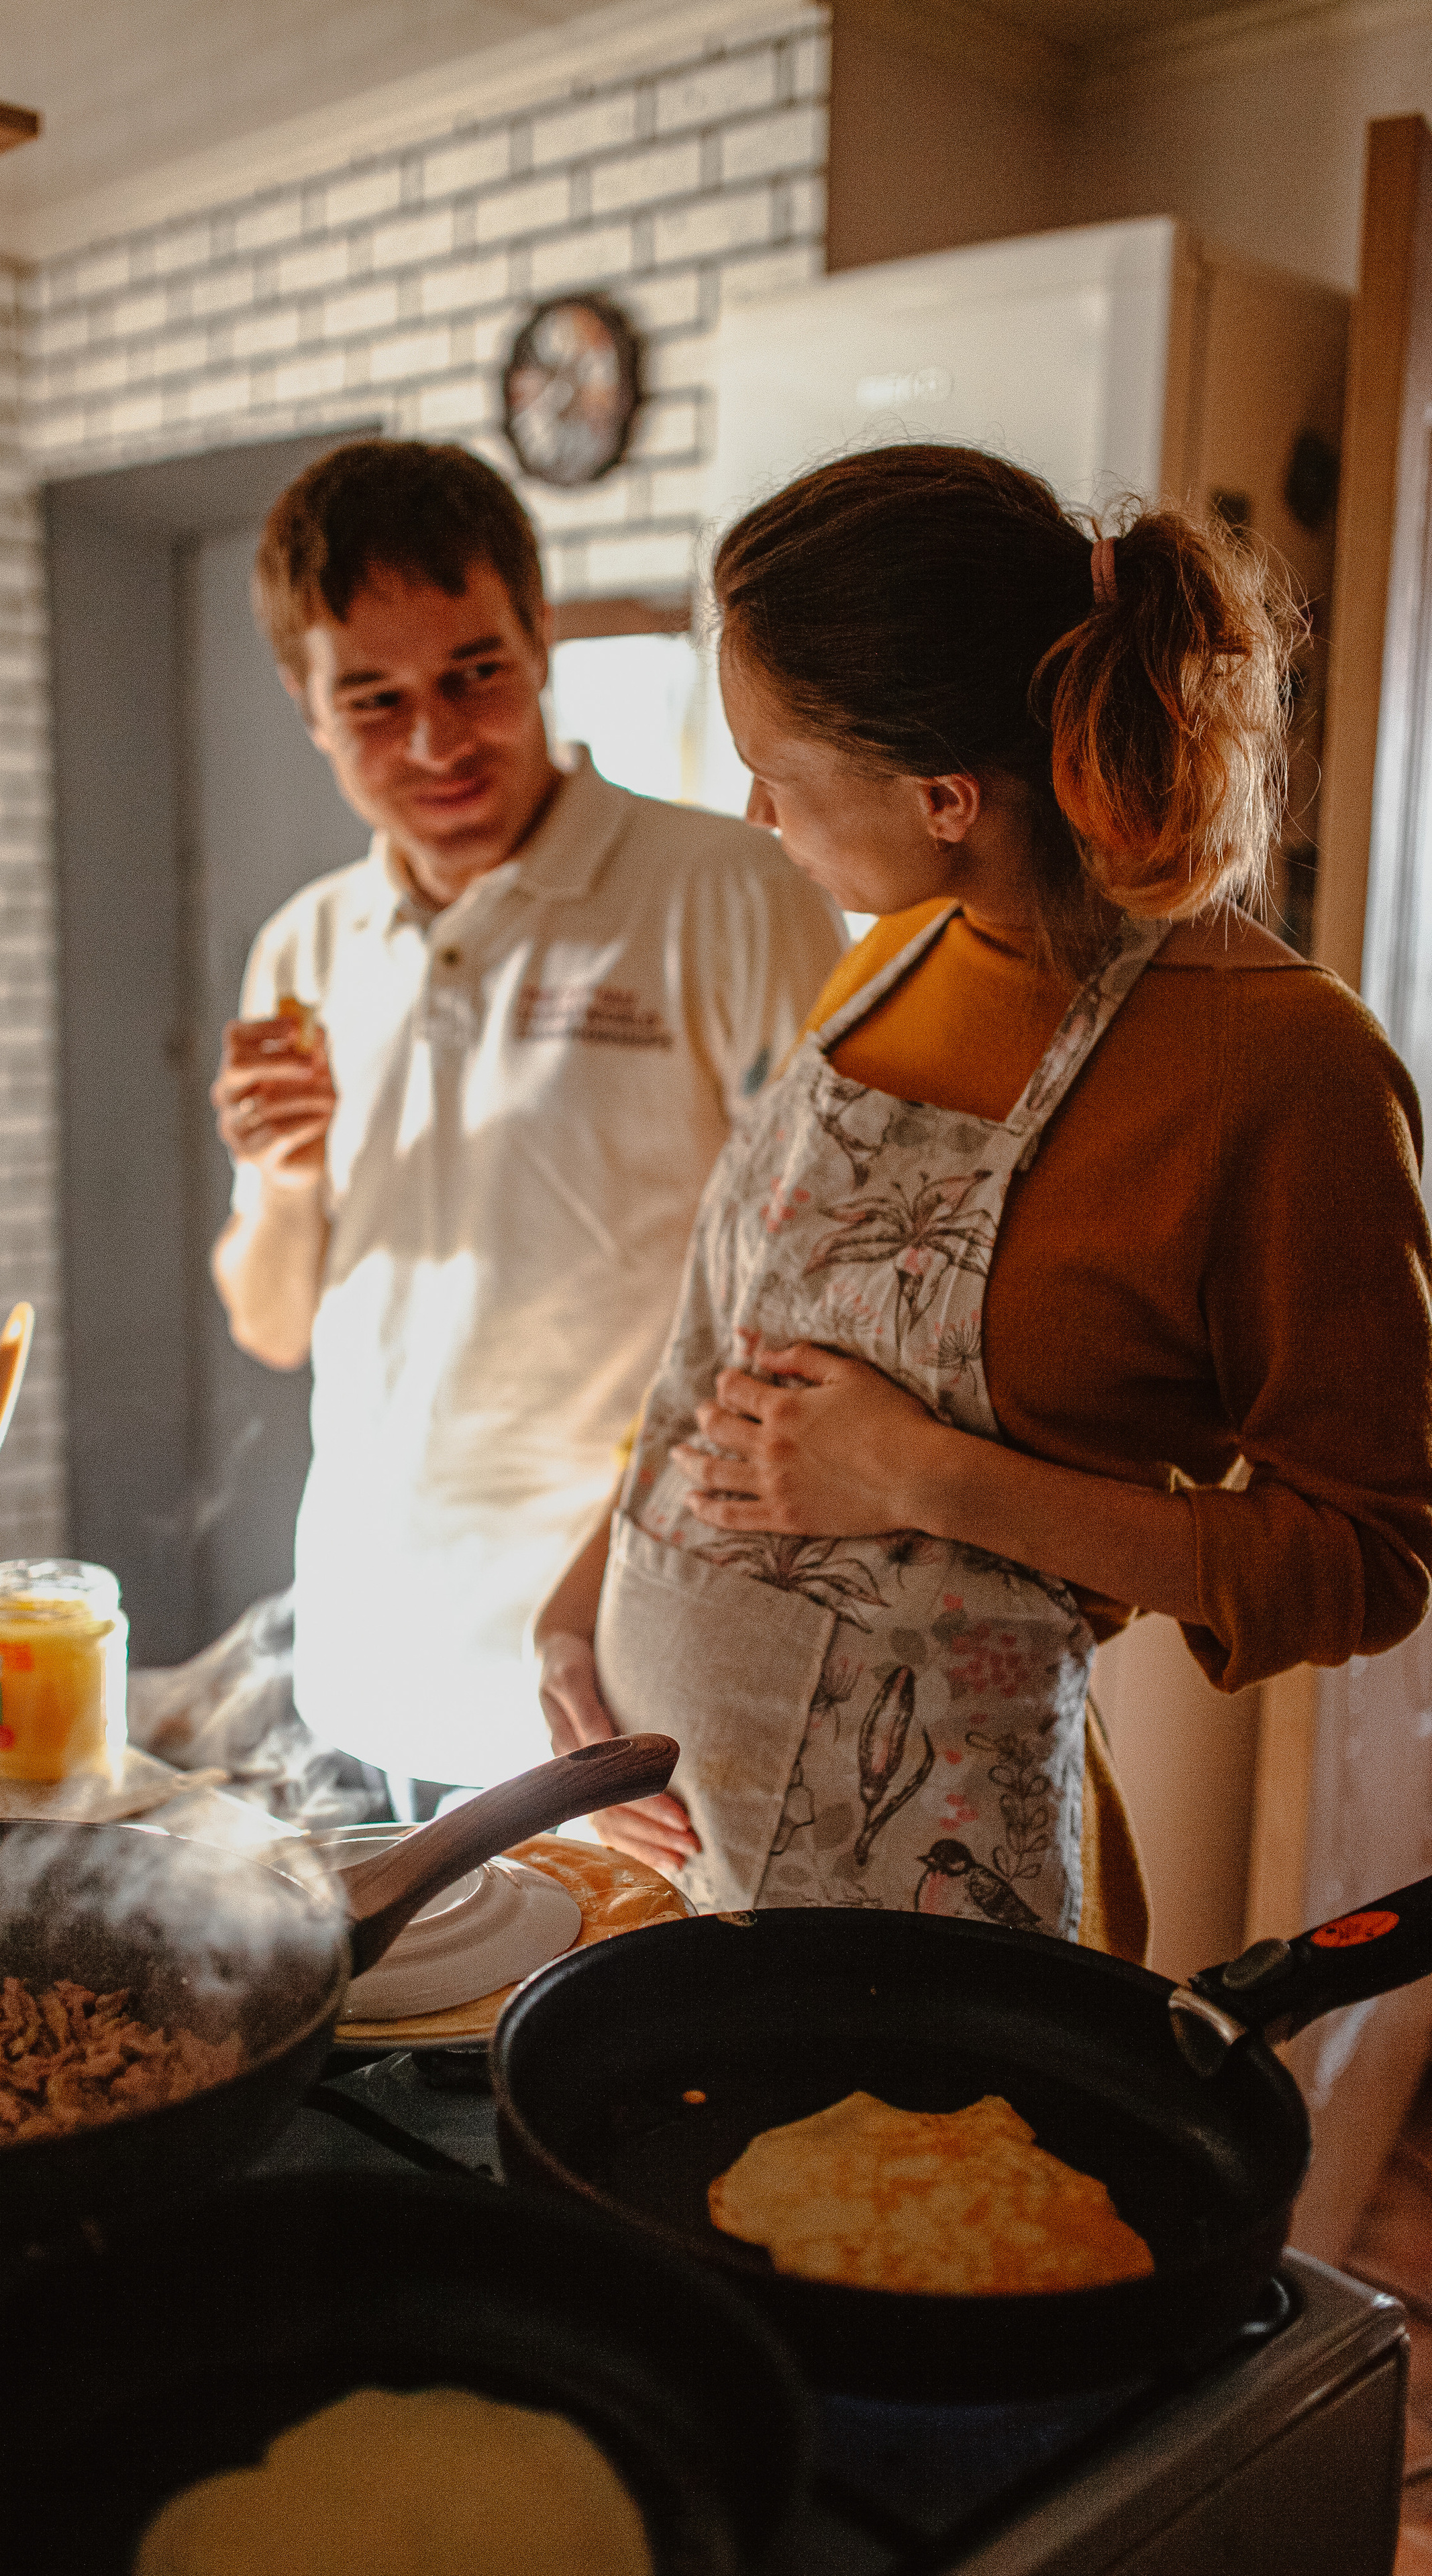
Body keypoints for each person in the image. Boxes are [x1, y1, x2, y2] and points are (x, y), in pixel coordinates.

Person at [535, 444, 1432, 1937]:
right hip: (666, 1839)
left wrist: (923, 1478)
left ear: (944, 795)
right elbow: (731, 1347)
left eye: (778, 772)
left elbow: (1366, 1559)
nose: (756, 812)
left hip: (936, 1901)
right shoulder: (896, 951)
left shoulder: (1278, 1071)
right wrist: (576, 1618)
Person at [209, 439, 846, 1812]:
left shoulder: (731, 893)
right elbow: (269, 1324)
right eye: (373, 701)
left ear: (539, 634)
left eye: (472, 675)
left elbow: (807, 1299)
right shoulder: (305, 946)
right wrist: (278, 1179)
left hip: (605, 1682)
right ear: (304, 705)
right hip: (363, 1661)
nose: (435, 740)